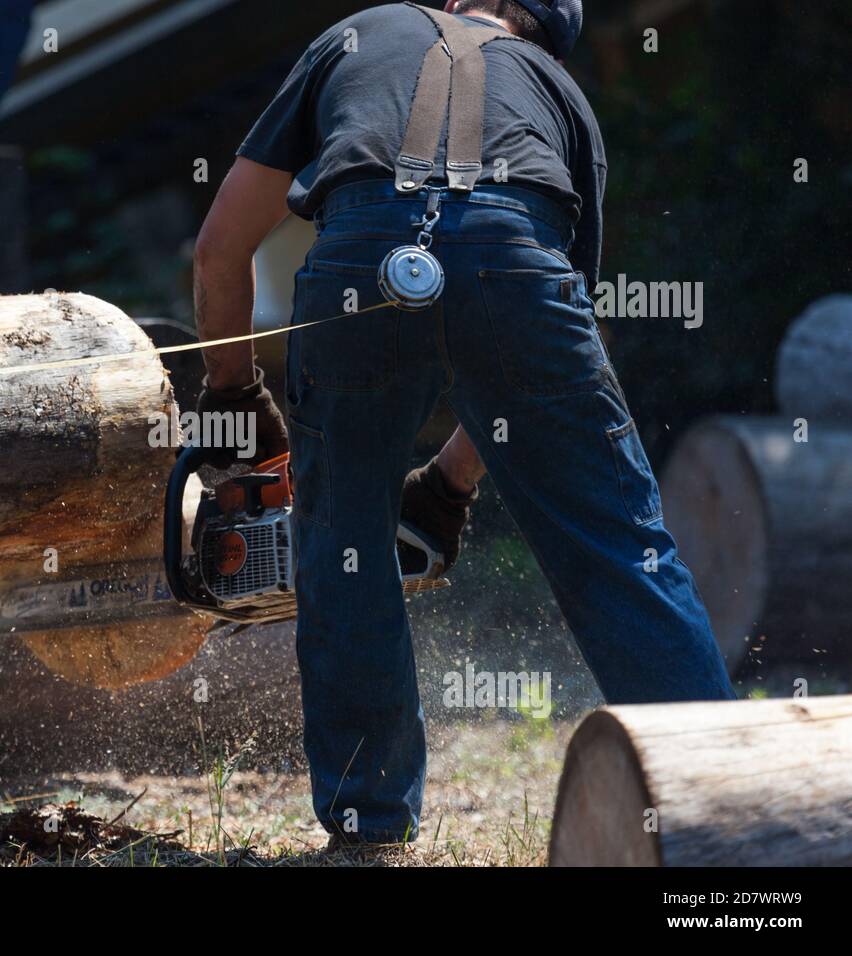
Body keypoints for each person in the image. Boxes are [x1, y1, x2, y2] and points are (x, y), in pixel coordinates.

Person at [190, 0, 735, 846]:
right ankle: (718, 806)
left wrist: (230, 392)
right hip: (514, 257)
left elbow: (220, 247)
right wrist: (449, 484)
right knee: (619, 546)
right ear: (544, 36)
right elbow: (543, 329)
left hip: (357, 262)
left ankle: (369, 826)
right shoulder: (561, 95)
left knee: (341, 541)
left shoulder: (356, 34)